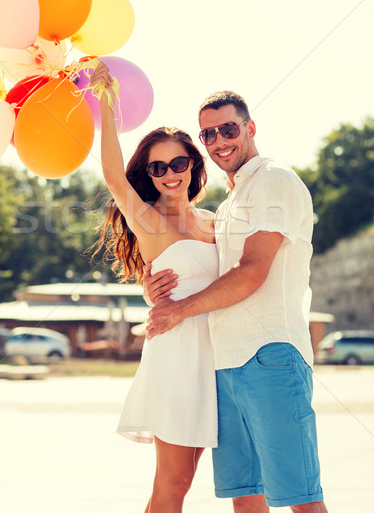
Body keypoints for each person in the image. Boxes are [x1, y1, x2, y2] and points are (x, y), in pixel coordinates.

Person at [145, 90, 328, 513]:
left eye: (228, 128)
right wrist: (154, 286)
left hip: (270, 355)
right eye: (208, 134)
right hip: (224, 365)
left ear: (249, 128)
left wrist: (176, 311)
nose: (219, 141)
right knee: (245, 498)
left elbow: (251, 271)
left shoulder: (274, 180)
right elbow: (194, 263)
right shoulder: (229, 204)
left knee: (302, 499)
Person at [89, 61, 220, 513]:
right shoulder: (149, 219)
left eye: (178, 162)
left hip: (222, 357)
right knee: (175, 483)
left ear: (193, 164)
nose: (169, 173)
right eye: (158, 166)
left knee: (194, 479)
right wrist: (105, 101)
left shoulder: (217, 221)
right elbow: (111, 174)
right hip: (178, 357)